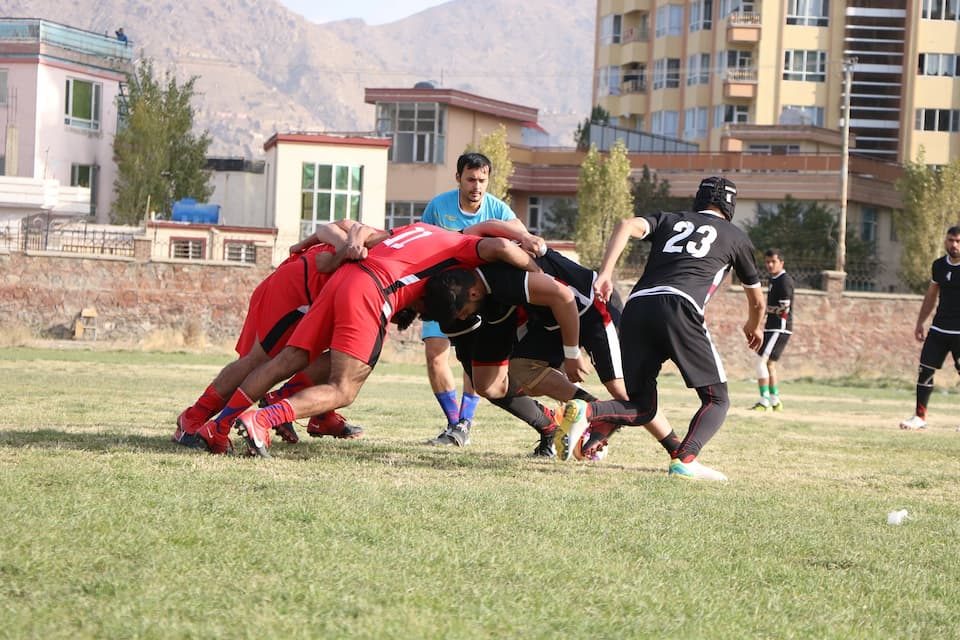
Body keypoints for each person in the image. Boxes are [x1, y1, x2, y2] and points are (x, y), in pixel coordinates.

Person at [201, 222, 542, 457]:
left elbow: (361, 232)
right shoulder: (465, 246)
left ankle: (219, 426)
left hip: (342, 278)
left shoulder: (419, 230)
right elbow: (497, 244)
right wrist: (536, 271)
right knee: (344, 388)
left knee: (287, 360)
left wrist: (336, 244)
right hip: (369, 291)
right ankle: (262, 419)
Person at [555, 176, 764, 481]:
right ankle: (686, 459)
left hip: (637, 307)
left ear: (698, 199)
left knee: (641, 405)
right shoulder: (736, 237)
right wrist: (753, 325)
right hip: (680, 306)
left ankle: (586, 412)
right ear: (730, 207)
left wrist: (606, 273)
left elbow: (626, 224)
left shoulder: (670, 219)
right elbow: (757, 301)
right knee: (717, 399)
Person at [425, 249, 685, 461]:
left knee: (623, 392)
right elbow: (492, 235)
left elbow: (563, 298)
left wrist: (572, 354)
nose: (464, 317)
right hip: (553, 321)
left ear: (472, 293)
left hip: (592, 310)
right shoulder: (485, 275)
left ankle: (679, 452)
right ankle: (590, 411)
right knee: (521, 368)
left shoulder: (503, 281)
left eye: (463, 311)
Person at [172, 220, 380, 451]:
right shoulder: (400, 242)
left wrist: (314, 246)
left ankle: (320, 413)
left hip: (324, 298)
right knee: (259, 361)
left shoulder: (406, 247)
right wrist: (340, 251)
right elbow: (334, 227)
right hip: (296, 290)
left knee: (347, 356)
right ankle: (193, 417)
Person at [420, 152, 529, 447]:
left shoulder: (498, 209)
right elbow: (422, 242)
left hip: (481, 299)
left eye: (482, 180)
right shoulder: (438, 207)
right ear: (458, 179)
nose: (476, 186)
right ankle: (454, 423)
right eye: (470, 179)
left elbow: (521, 234)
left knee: (472, 362)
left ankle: (465, 423)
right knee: (434, 355)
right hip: (443, 296)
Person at [899, 225, 960, 431]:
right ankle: (919, 417)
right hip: (939, 329)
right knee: (925, 370)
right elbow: (931, 295)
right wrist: (920, 322)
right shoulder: (939, 266)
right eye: (951, 240)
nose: (954, 245)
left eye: (958, 241)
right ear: (945, 241)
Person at [750, 248, 795, 411]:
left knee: (760, 362)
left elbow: (784, 309)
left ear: (781, 263)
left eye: (773, 262)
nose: (769, 265)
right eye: (767, 262)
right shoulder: (774, 279)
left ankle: (764, 401)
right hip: (772, 327)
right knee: (769, 365)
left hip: (780, 328)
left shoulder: (784, 280)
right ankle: (775, 401)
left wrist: (763, 308)